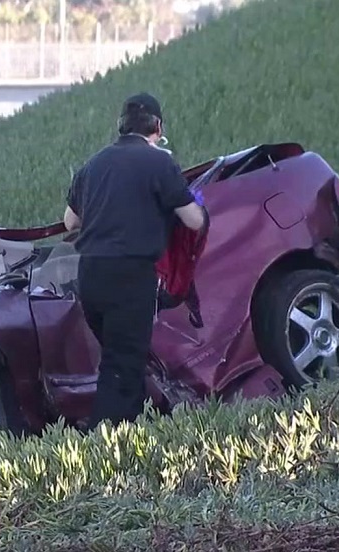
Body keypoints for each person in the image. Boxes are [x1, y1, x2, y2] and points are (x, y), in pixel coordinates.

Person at [63, 92, 206, 430]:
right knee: (123, 363)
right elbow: (195, 221)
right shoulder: (159, 162)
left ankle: (136, 425)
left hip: (90, 276)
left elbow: (70, 221)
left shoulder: (93, 164)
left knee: (117, 359)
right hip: (130, 275)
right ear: (157, 127)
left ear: (121, 127)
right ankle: (105, 441)